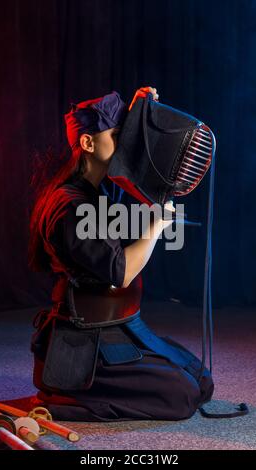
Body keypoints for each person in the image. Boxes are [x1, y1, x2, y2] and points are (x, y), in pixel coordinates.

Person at [28, 86, 214, 421]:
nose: (125, 141)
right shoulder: (69, 206)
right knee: (182, 396)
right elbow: (122, 271)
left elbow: (129, 163)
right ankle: (64, 399)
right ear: (87, 144)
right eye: (117, 134)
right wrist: (157, 226)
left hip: (120, 326)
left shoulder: (98, 189)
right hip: (85, 343)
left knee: (201, 381)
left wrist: (140, 111)